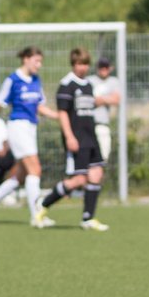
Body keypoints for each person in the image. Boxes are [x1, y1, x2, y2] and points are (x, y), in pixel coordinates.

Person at [0, 46, 59, 227]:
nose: (39, 65)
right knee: (35, 169)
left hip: (31, 128)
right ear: (26, 59)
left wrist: (58, 116)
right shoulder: (13, 80)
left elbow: (39, 106)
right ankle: (36, 215)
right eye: (37, 61)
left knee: (21, 175)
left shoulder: (36, 80)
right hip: (17, 127)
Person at [36, 48, 109, 231]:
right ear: (73, 64)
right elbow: (62, 113)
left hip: (91, 137)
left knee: (96, 174)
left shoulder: (88, 85)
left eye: (85, 64)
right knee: (79, 180)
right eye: (79, 64)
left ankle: (88, 218)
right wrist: (69, 136)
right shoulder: (67, 84)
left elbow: (89, 107)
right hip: (77, 138)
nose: (82, 67)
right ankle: (44, 204)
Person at [88, 57, 121, 162]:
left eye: (106, 68)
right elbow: (89, 100)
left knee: (103, 159)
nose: (103, 70)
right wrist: (107, 99)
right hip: (89, 124)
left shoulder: (113, 81)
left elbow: (116, 100)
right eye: (101, 68)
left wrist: (100, 99)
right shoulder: (90, 80)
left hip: (103, 124)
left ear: (110, 68)